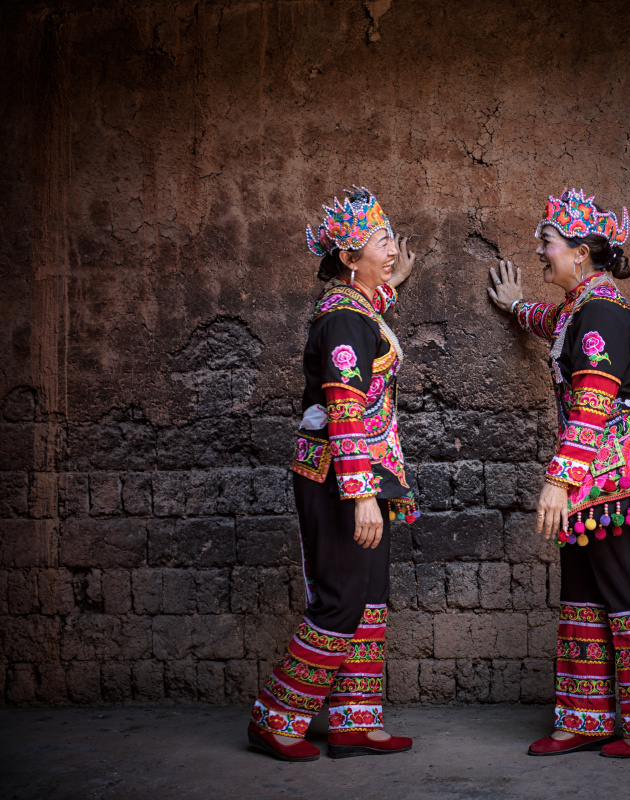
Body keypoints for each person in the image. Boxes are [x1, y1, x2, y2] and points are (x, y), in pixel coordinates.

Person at [488, 188, 630, 759]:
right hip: (589, 479)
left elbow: (594, 402)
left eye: (547, 243)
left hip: (613, 480)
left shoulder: (602, 312)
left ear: (580, 253)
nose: (540, 251)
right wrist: (515, 306)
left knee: (627, 589)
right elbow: (550, 324)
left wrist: (559, 480)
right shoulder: (582, 308)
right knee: (580, 591)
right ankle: (586, 718)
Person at [248, 187, 420, 761]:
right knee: (341, 599)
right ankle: (276, 717)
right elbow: (345, 409)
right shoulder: (344, 319)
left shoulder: (359, 309)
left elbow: (371, 332)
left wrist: (390, 286)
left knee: (369, 597)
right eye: (379, 243)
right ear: (348, 259)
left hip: (364, 473)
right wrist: (361, 494)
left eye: (391, 237)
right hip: (339, 476)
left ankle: (353, 721)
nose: (391, 249)